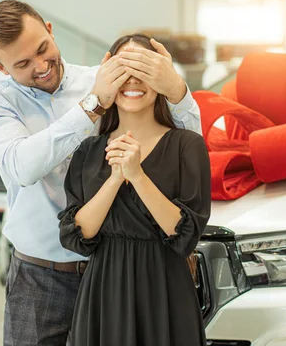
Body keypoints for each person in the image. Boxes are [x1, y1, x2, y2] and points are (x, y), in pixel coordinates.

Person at [0, 0, 202, 345]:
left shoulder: (101, 77)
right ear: (0, 67)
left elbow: (185, 143)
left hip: (116, 273)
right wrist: (92, 106)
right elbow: (22, 166)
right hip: (41, 276)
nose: (41, 66)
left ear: (50, 30)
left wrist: (176, 89)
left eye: (43, 49)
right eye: (22, 63)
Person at [58, 34, 210, 346]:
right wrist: (114, 179)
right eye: (123, 70)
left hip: (165, 288)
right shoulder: (88, 149)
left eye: (143, 70)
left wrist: (137, 175)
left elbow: (185, 234)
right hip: (104, 289)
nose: (133, 81)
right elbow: (78, 234)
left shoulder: (187, 145)